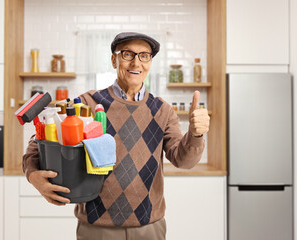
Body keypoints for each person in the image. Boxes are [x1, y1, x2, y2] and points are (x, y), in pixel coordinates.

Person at [23, 32, 210, 240]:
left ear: (150, 62)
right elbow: (38, 140)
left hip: (149, 228)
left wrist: (196, 134)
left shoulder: (163, 111)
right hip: (96, 228)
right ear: (114, 59)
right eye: (128, 54)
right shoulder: (86, 104)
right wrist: (32, 175)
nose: (136, 62)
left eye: (144, 56)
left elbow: (183, 160)